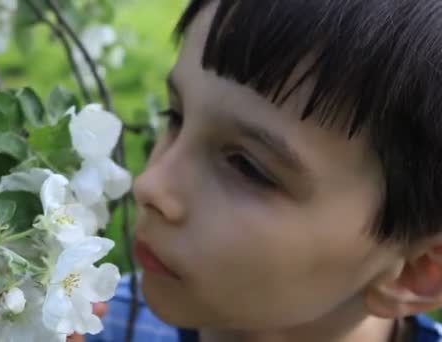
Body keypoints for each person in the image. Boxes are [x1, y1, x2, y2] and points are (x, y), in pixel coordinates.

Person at [85, 0, 442, 341]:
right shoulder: (82, 322)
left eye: (247, 167)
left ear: (417, 271)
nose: (150, 185)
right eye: (175, 117)